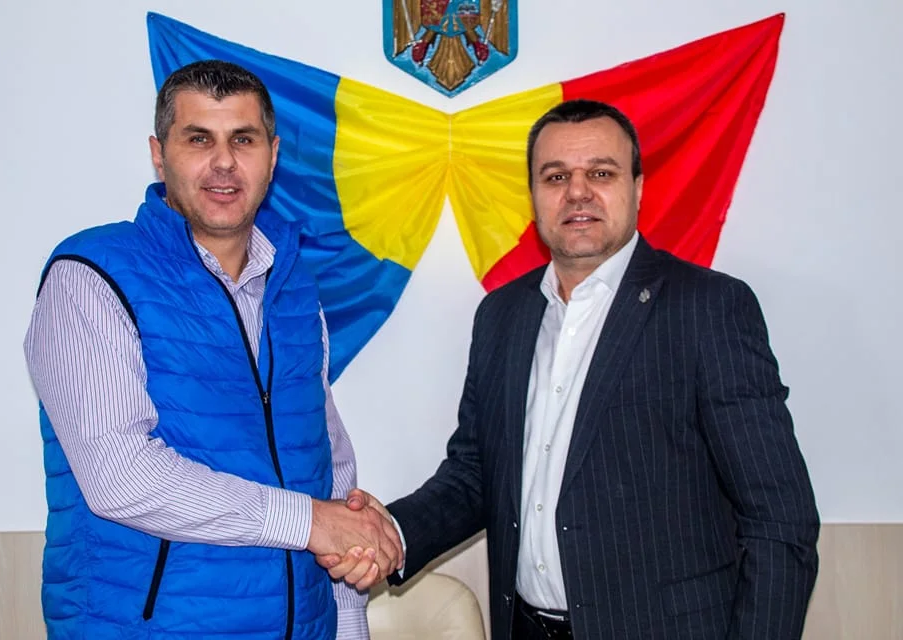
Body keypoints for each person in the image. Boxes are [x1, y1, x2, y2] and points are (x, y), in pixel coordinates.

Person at [322, 99, 820, 639]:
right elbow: (477, 474)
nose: (577, 192)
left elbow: (779, 520)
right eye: (556, 176)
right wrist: (391, 532)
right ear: (534, 195)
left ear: (637, 188)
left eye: (601, 173)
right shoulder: (501, 316)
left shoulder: (708, 308)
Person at [24, 59, 401, 640]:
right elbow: (121, 476)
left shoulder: (295, 287)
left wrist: (348, 621)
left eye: (243, 140)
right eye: (199, 139)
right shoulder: (91, 274)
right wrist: (310, 523)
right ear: (159, 154)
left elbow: (328, 462)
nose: (223, 162)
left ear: (272, 156)